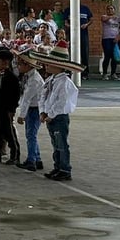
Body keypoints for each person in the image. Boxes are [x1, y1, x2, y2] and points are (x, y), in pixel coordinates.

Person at [30, 42, 82, 181]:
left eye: (50, 63)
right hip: (50, 116)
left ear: (59, 66)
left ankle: (65, 169)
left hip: (59, 117)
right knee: (55, 143)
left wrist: (51, 114)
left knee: (61, 144)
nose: (46, 65)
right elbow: (43, 97)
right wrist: (43, 112)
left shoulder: (64, 82)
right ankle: (58, 166)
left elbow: (62, 102)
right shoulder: (50, 80)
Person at [14, 50, 45, 172]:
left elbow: (26, 99)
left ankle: (31, 160)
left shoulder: (34, 80)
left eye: (20, 64)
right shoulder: (30, 76)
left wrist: (21, 115)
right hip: (33, 108)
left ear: (27, 65)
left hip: (34, 109)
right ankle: (37, 158)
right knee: (32, 135)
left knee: (31, 135)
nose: (18, 67)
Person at [63, 2, 93, 79]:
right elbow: (65, 22)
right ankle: (71, 71)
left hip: (83, 34)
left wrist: (86, 25)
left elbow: (91, 20)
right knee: (72, 52)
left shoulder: (85, 9)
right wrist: (71, 26)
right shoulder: (68, 10)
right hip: (72, 34)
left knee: (84, 53)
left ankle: (85, 73)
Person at [100, 4, 120, 80]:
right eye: (108, 9)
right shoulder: (104, 16)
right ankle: (105, 74)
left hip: (115, 40)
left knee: (114, 57)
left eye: (112, 9)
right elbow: (104, 19)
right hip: (106, 39)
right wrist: (112, 17)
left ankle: (113, 73)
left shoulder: (118, 19)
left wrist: (118, 37)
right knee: (107, 56)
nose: (110, 10)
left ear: (114, 10)